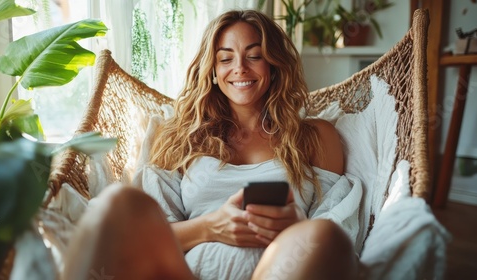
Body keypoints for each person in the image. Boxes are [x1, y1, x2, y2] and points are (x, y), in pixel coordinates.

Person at [62, 9, 358, 280]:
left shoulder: (315, 137)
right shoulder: (180, 137)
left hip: (280, 271)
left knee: (323, 235)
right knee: (120, 204)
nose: (240, 68)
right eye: (226, 58)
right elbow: (149, 239)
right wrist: (211, 225)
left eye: (254, 56)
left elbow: (338, 232)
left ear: (274, 65)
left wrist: (296, 225)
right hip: (187, 274)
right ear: (213, 71)